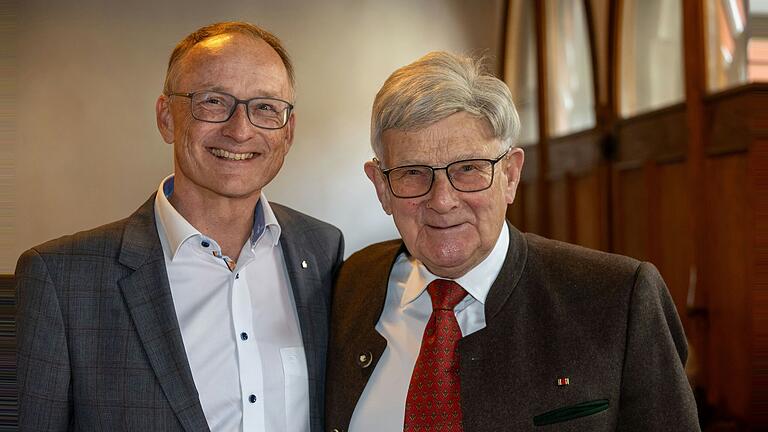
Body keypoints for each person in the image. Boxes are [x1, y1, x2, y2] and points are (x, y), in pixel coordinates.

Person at [325, 51, 699, 431]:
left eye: (469, 168)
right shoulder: (351, 285)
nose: (442, 200)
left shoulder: (618, 298)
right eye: (412, 173)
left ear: (511, 175)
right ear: (381, 187)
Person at [15, 21, 343, 432]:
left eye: (265, 107)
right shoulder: (62, 279)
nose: (240, 130)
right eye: (212, 101)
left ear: (288, 131)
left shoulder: (323, 251)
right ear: (167, 117)